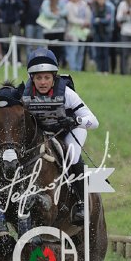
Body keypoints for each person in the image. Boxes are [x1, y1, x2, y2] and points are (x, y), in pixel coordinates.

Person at [22, 48, 99, 225]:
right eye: (38, 78)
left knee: (71, 154)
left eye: (47, 77)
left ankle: (81, 203)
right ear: (32, 78)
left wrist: (75, 120)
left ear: (54, 77)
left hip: (68, 131)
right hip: (43, 134)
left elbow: (94, 122)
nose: (43, 82)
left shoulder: (66, 93)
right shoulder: (24, 94)